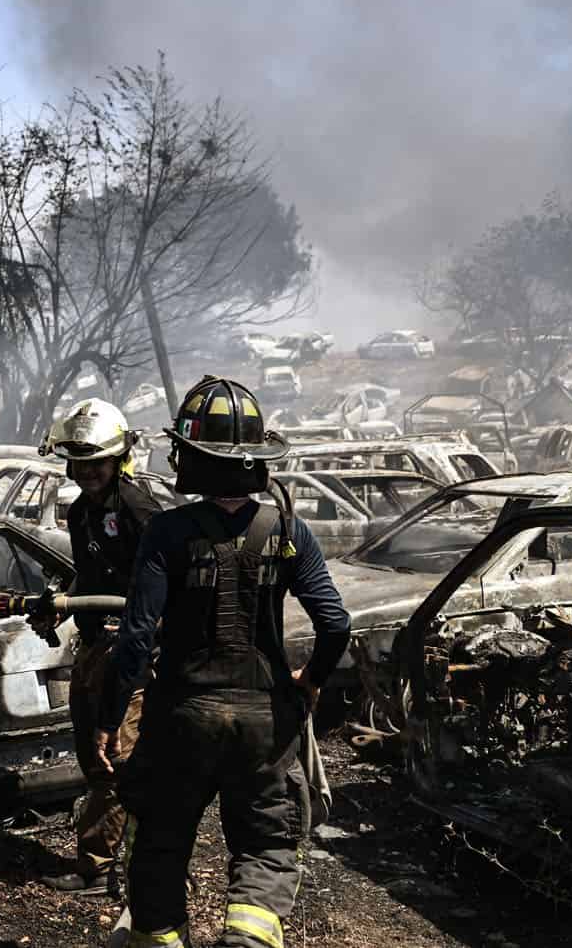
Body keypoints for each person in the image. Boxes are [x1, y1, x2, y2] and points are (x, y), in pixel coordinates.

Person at [99, 376, 350, 948]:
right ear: (257, 458)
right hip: (265, 722)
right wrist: (309, 683)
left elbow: (136, 638)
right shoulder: (288, 530)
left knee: (161, 840)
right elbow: (335, 624)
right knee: (264, 843)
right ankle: (247, 938)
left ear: (189, 457)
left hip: (181, 719)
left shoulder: (167, 532)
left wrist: (109, 720)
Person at [36, 399, 163, 895]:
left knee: (116, 757)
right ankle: (109, 858)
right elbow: (90, 575)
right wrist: (61, 604)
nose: (86, 472)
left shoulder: (137, 509)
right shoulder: (81, 512)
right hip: (93, 647)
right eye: (79, 463)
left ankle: (106, 867)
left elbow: (160, 584)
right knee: (93, 752)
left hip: (130, 652)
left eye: (97, 462)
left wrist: (138, 633)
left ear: (118, 461)